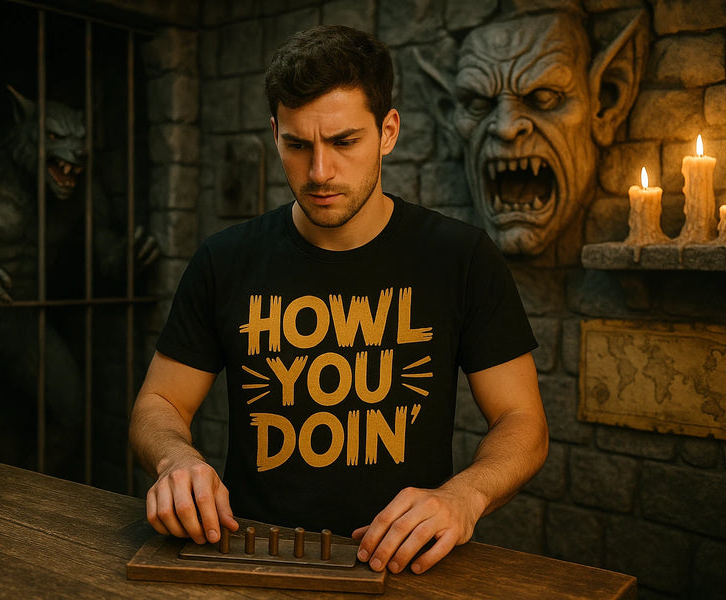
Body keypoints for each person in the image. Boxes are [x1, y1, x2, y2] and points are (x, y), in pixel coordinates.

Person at [129, 24, 548, 575]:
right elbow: (158, 404)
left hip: (401, 568)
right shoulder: (225, 260)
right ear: (275, 132)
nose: (319, 171)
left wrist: (464, 496)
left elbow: (523, 422)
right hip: (250, 558)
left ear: (388, 131)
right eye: (297, 145)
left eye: (344, 142)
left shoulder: (460, 257)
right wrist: (176, 459)